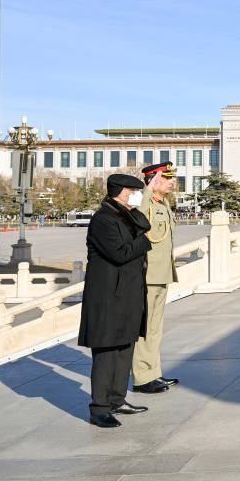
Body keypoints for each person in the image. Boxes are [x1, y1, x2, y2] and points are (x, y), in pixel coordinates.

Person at [78, 173, 153, 428]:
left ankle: (117, 399)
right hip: (108, 296)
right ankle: (99, 407)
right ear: (121, 191)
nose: (138, 195)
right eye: (134, 191)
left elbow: (144, 224)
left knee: (124, 347)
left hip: (128, 293)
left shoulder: (124, 215)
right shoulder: (103, 220)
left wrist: (137, 223)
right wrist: (143, 242)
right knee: (107, 351)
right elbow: (120, 253)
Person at [132, 162, 180, 394]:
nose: (172, 182)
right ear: (154, 180)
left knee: (155, 328)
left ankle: (154, 373)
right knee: (145, 328)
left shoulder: (164, 204)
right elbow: (137, 219)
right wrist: (147, 192)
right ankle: (142, 377)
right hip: (148, 274)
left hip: (162, 273)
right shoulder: (145, 203)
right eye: (167, 178)